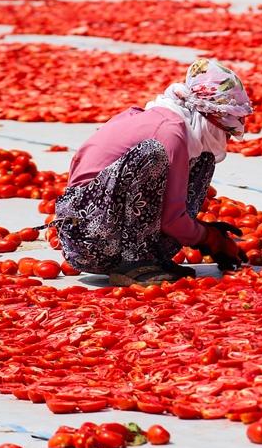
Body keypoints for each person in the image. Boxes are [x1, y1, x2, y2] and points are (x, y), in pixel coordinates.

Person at [55, 58, 251, 285]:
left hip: (107, 231)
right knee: (153, 153)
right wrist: (210, 238)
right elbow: (171, 219)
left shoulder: (172, 124)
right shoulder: (170, 132)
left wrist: (205, 234)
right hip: (90, 238)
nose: (227, 138)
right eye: (226, 129)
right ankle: (136, 263)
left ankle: (148, 258)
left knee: (203, 161)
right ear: (206, 114)